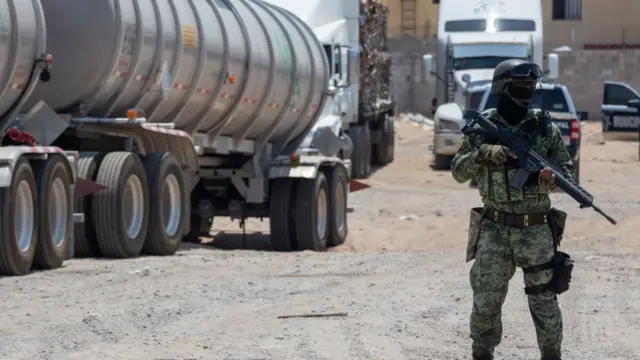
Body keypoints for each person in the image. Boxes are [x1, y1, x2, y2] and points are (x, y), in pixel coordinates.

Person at [451, 59, 576, 360]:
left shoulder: (544, 128)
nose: (528, 92)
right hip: (494, 229)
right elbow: (458, 170)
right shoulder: (484, 127)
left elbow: (568, 175)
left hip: (535, 231)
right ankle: (481, 353)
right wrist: (482, 153)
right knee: (486, 302)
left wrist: (548, 180)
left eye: (532, 86)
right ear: (503, 88)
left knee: (544, 302)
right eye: (521, 86)